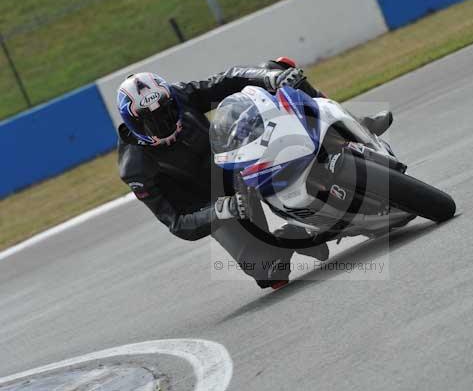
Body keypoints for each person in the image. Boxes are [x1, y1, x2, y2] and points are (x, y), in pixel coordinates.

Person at [116, 57, 392, 289]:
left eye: (166, 111)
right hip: (213, 203)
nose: (163, 122)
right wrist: (219, 211)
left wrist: (268, 78)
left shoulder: (180, 94)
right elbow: (176, 222)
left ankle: (353, 127)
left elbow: (230, 79)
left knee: (276, 68)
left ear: (172, 100)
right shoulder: (136, 168)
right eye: (152, 121)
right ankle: (297, 234)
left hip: (234, 160)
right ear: (134, 123)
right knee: (270, 274)